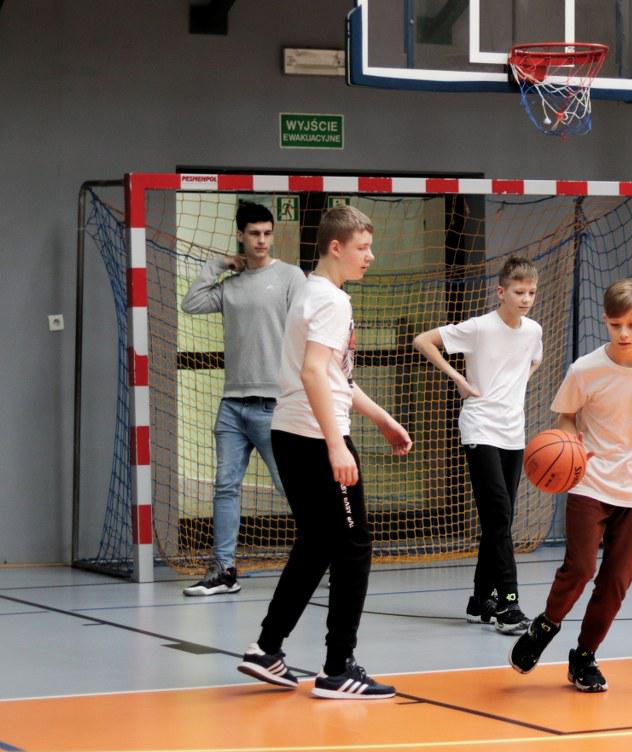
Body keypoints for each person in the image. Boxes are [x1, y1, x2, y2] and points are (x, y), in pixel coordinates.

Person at [236, 205, 412, 699]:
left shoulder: (311, 292)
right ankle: (338, 668)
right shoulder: (332, 301)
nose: (370, 256)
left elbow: (334, 377)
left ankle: (266, 648)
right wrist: (337, 445)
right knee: (353, 547)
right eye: (363, 248)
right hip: (315, 438)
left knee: (316, 544)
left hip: (291, 434)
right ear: (336, 247)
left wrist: (381, 419)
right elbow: (314, 373)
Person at [508, 279, 632, 692]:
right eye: (616, 325)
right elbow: (566, 417)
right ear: (605, 320)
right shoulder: (584, 369)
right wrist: (571, 447)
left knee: (616, 582)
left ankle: (584, 656)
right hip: (591, 482)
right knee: (582, 567)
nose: (624, 333)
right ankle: (546, 624)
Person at [412, 257, 543, 634]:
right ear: (501, 292)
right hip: (480, 428)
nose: (526, 299)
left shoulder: (533, 330)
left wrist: (515, 383)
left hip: (513, 432)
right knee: (499, 515)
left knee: (499, 519)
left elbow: (534, 360)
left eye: (531, 293)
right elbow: (423, 341)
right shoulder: (480, 327)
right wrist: (457, 377)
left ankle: (480, 599)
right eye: (519, 292)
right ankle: (509, 605)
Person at [180, 202, 304, 596]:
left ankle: (327, 553)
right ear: (241, 236)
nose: (262, 240)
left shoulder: (291, 277)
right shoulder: (230, 286)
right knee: (225, 487)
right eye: (254, 233)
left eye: (267, 233)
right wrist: (218, 265)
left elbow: (308, 329)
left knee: (292, 487)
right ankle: (224, 570)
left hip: (274, 405)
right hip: (232, 405)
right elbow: (191, 302)